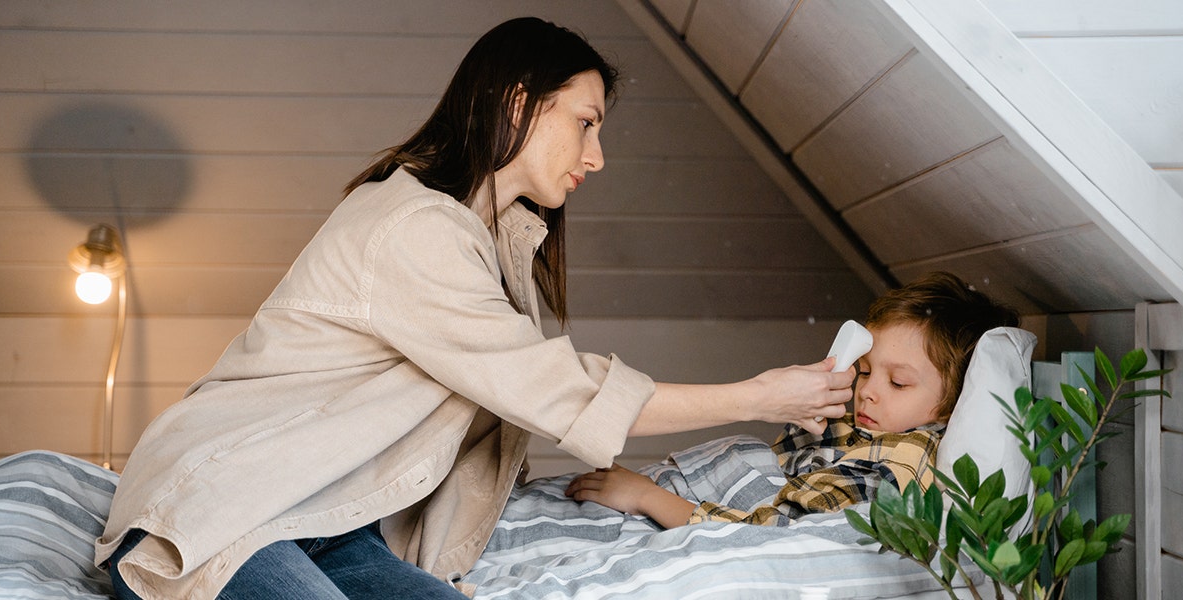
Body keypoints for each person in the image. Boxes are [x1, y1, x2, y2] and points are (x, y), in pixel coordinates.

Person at [95, 17, 853, 600]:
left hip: (330, 525)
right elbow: (558, 388)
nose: (597, 157)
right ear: (519, 104)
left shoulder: (488, 241)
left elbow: (473, 433)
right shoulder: (412, 226)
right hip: (225, 507)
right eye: (585, 123)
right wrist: (757, 396)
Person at [566, 271, 1019, 528]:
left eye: (898, 383)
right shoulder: (851, 427)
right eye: (864, 370)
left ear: (950, 403)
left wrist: (646, 497)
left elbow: (771, 534)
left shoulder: (899, 462)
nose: (870, 390)